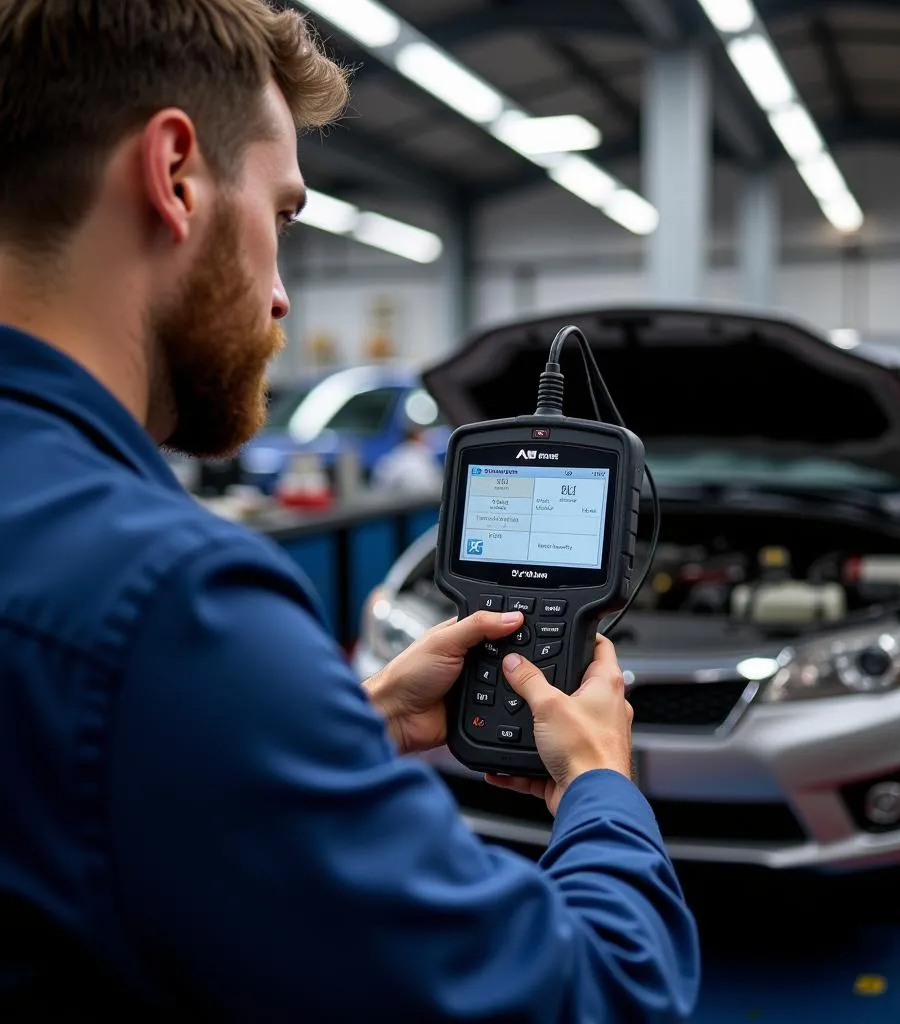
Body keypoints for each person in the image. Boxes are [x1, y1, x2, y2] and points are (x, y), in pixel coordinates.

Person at [0, 2, 700, 1021]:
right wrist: (599, 786)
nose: (282, 294)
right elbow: (601, 995)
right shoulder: (171, 610)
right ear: (175, 175)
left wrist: (351, 726)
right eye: (282, 217)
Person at [371, 422, 445, 493]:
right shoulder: (424, 455)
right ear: (416, 435)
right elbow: (437, 486)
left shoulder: (393, 456)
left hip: (400, 501)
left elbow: (380, 485)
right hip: (418, 501)